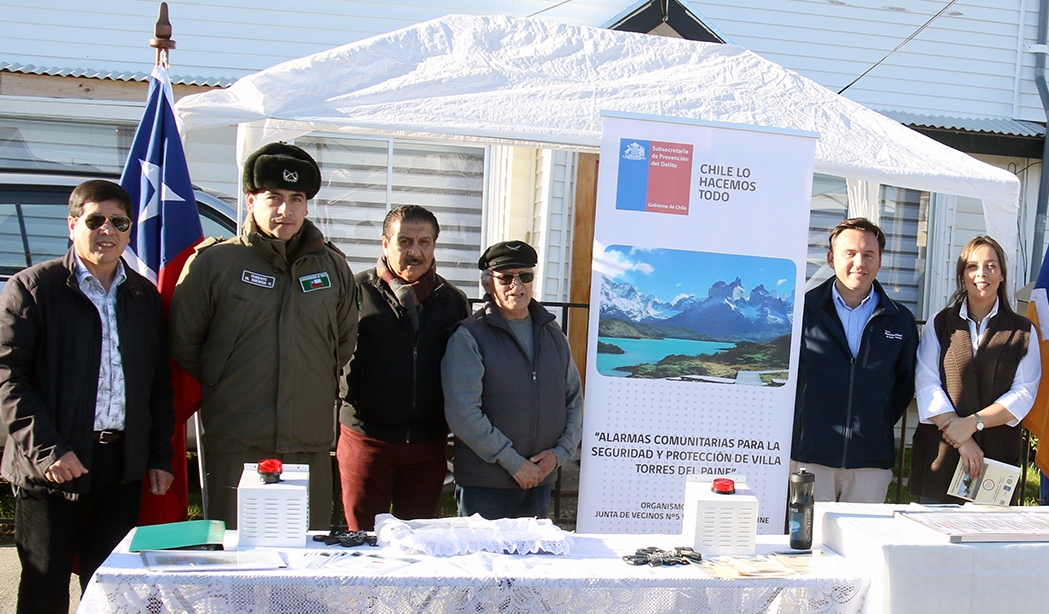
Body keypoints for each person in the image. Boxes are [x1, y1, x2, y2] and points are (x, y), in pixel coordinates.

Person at [0, 180, 174, 614]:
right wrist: (49, 451)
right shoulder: (33, 289)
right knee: (44, 590)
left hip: (120, 468)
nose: (107, 231)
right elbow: (9, 378)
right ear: (73, 224)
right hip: (53, 468)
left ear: (129, 231)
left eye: (119, 222)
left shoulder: (143, 296)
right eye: (95, 220)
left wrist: (158, 455)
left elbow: (157, 383)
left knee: (111, 592)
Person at [169, 142, 357, 530]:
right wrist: (225, 376)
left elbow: (341, 343)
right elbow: (185, 341)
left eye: (296, 199)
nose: (285, 210)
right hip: (238, 438)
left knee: (305, 550)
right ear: (251, 200)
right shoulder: (214, 263)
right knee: (237, 548)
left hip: (307, 440)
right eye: (274, 197)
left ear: (307, 206)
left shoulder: (333, 268)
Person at [337, 205, 469, 530]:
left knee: (418, 542)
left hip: (427, 443)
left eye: (424, 242)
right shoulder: (354, 292)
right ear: (385, 244)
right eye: (404, 241)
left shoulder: (452, 301)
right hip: (367, 439)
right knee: (364, 540)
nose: (415, 252)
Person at [442, 240, 583, 519]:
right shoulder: (469, 337)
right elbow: (463, 413)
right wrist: (513, 463)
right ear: (488, 284)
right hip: (486, 486)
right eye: (505, 278)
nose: (516, 286)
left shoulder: (553, 334)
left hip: (540, 481)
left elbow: (574, 400)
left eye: (525, 277)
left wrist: (559, 454)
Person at [791, 217, 918, 503]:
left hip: (870, 463)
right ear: (831, 258)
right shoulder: (802, 310)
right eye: (850, 253)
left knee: (862, 535)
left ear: (880, 262)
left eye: (868, 255)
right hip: (810, 459)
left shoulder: (900, 320)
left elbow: (903, 384)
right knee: (808, 533)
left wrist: (875, 422)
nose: (859, 263)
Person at [909, 235, 1040, 503]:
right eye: (972, 266)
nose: (982, 273)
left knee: (989, 530)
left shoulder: (1023, 331)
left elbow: (1024, 393)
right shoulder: (940, 324)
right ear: (962, 275)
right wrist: (963, 440)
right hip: (941, 456)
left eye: (991, 266)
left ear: (1002, 275)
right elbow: (926, 383)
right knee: (934, 528)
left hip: (996, 459)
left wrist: (973, 423)